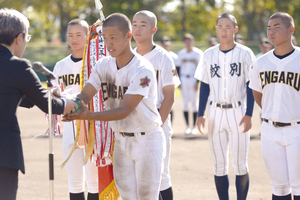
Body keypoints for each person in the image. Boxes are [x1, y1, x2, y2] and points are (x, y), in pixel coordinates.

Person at [62, 13, 165, 200]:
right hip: (121, 140)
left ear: (128, 36)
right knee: (127, 197)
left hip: (147, 139)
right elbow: (85, 94)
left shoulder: (142, 68)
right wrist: (67, 104)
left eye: (113, 38)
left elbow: (125, 110)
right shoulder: (103, 65)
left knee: (147, 197)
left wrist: (87, 115)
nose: (108, 44)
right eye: (105, 38)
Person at [0, 8, 76, 200]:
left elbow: (13, 93)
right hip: (4, 153)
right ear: (19, 38)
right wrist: (67, 102)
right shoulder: (18, 66)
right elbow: (47, 104)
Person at [195, 13, 255, 200]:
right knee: (219, 165)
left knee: (240, 164)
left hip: (238, 111)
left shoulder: (245, 54)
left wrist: (249, 114)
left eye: (228, 27)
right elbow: (204, 85)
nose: (224, 30)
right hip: (215, 112)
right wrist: (200, 113)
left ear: (235, 30)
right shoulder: (208, 54)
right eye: (220, 27)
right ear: (216, 29)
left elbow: (251, 84)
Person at [249, 12, 300, 200]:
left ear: (291, 30)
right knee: (279, 188)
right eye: (269, 28)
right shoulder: (260, 62)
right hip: (269, 129)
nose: (271, 31)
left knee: (299, 186)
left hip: (297, 129)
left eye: (277, 27)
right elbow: (258, 93)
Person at [132, 11, 180, 200]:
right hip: (133, 124)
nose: (137, 28)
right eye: (134, 24)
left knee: (160, 177)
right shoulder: (128, 56)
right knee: (137, 178)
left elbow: (170, 96)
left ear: (153, 29)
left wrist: (157, 124)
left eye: (143, 24)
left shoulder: (163, 57)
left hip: (156, 123)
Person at [52, 19, 98, 200]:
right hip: (70, 126)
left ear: (88, 37)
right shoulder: (60, 65)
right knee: (75, 181)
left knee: (94, 181)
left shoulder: (97, 64)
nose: (74, 39)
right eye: (70, 35)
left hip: (92, 125)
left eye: (79, 34)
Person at [177, 33, 203, 135]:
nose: (188, 43)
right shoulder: (181, 53)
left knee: (194, 103)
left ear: (193, 42)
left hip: (193, 78)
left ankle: (194, 127)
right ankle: (188, 126)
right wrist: (178, 81)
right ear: (184, 42)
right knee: (185, 103)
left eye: (190, 41)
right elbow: (177, 69)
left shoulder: (198, 53)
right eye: (186, 41)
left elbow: (200, 69)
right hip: (183, 78)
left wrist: (197, 82)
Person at [160, 35, 178, 125]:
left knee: (171, 104)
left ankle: (170, 125)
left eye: (167, 43)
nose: (165, 45)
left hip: (170, 81)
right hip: (160, 83)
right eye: (164, 43)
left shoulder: (173, 56)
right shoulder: (159, 55)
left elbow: (177, 70)